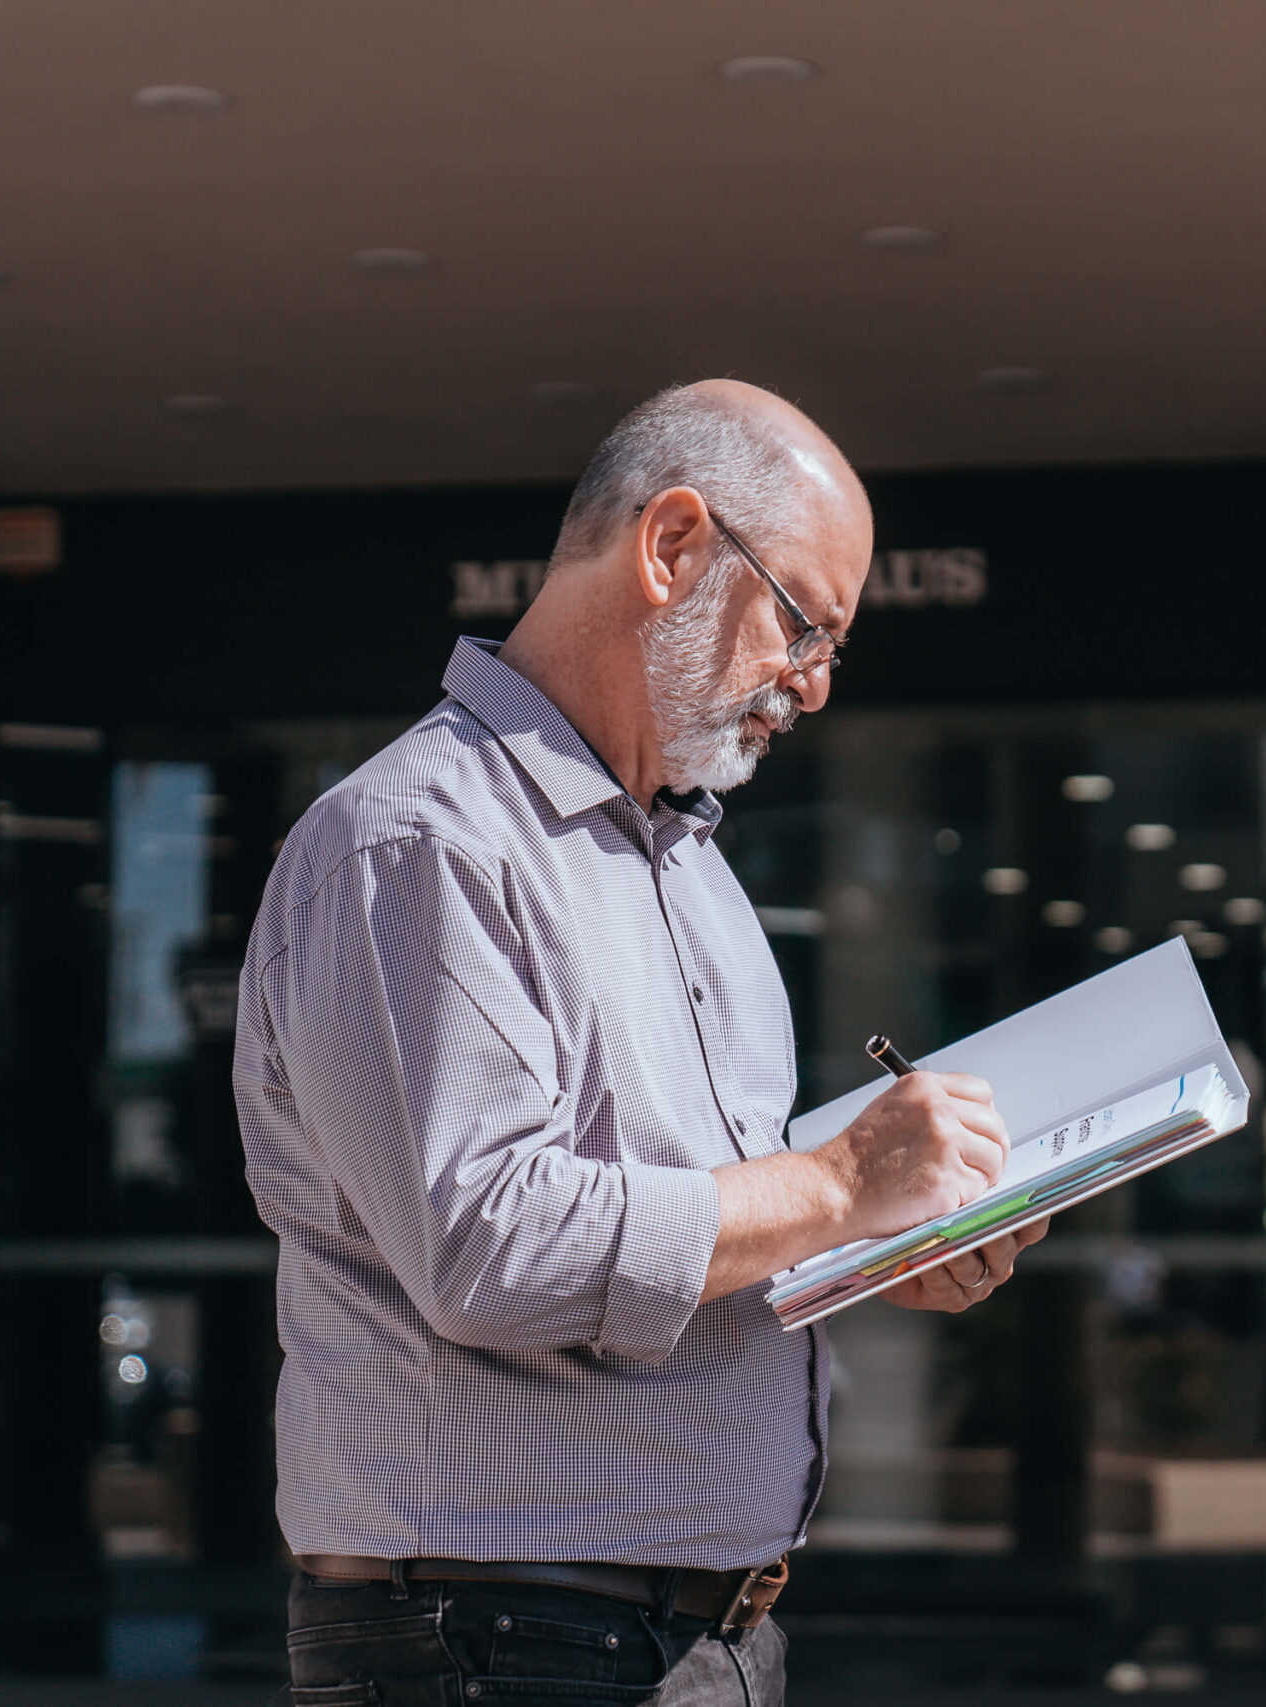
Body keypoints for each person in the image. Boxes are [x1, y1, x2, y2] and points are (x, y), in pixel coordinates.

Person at [235, 380, 1048, 1706]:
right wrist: (838, 1183)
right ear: (674, 547)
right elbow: (488, 1243)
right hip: (496, 1643)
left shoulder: (691, 873)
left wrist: (868, 1246)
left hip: (672, 1639)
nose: (819, 685)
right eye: (804, 623)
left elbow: (683, 1222)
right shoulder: (417, 841)